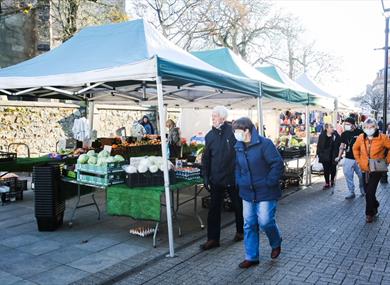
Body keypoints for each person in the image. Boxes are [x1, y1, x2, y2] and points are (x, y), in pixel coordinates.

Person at [232, 117, 284, 269]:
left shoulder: (264, 144)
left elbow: (277, 165)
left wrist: (269, 182)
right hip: (247, 192)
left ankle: (276, 242)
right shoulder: (238, 146)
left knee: (265, 221)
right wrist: (239, 180)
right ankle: (251, 257)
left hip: (266, 191)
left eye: (238, 131)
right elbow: (237, 167)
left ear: (247, 130)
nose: (236, 134)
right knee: (249, 224)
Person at [201, 106, 244, 250]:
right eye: (212, 116)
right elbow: (206, 158)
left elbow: (242, 151)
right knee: (214, 210)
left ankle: (241, 231)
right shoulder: (209, 136)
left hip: (232, 177)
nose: (212, 118)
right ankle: (213, 239)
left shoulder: (233, 131)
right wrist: (206, 176)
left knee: (238, 205)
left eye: (215, 116)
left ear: (223, 118)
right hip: (216, 178)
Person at [353, 118, 390, 223]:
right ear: (364, 128)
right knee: (367, 191)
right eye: (366, 127)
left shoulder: (382, 137)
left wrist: (387, 160)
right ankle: (375, 204)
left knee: (370, 191)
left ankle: (369, 214)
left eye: (371, 127)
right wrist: (359, 161)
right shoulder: (361, 137)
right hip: (364, 168)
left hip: (377, 168)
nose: (369, 129)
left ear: (376, 127)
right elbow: (355, 149)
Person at [335, 117, 364, 199]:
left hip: (359, 158)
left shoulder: (360, 132)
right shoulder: (344, 134)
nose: (346, 126)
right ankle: (351, 192)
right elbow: (342, 145)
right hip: (348, 158)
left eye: (348, 124)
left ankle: (362, 188)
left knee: (362, 175)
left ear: (353, 125)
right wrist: (339, 156)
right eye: (345, 124)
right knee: (348, 175)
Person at [317, 123, 341, 189]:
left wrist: (339, 154)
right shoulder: (322, 135)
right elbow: (319, 145)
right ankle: (327, 183)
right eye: (331, 127)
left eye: (332, 127)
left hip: (333, 155)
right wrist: (319, 154)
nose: (332, 128)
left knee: (333, 169)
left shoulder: (336, 135)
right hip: (324, 156)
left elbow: (340, 144)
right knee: (326, 170)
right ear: (327, 128)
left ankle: (332, 180)